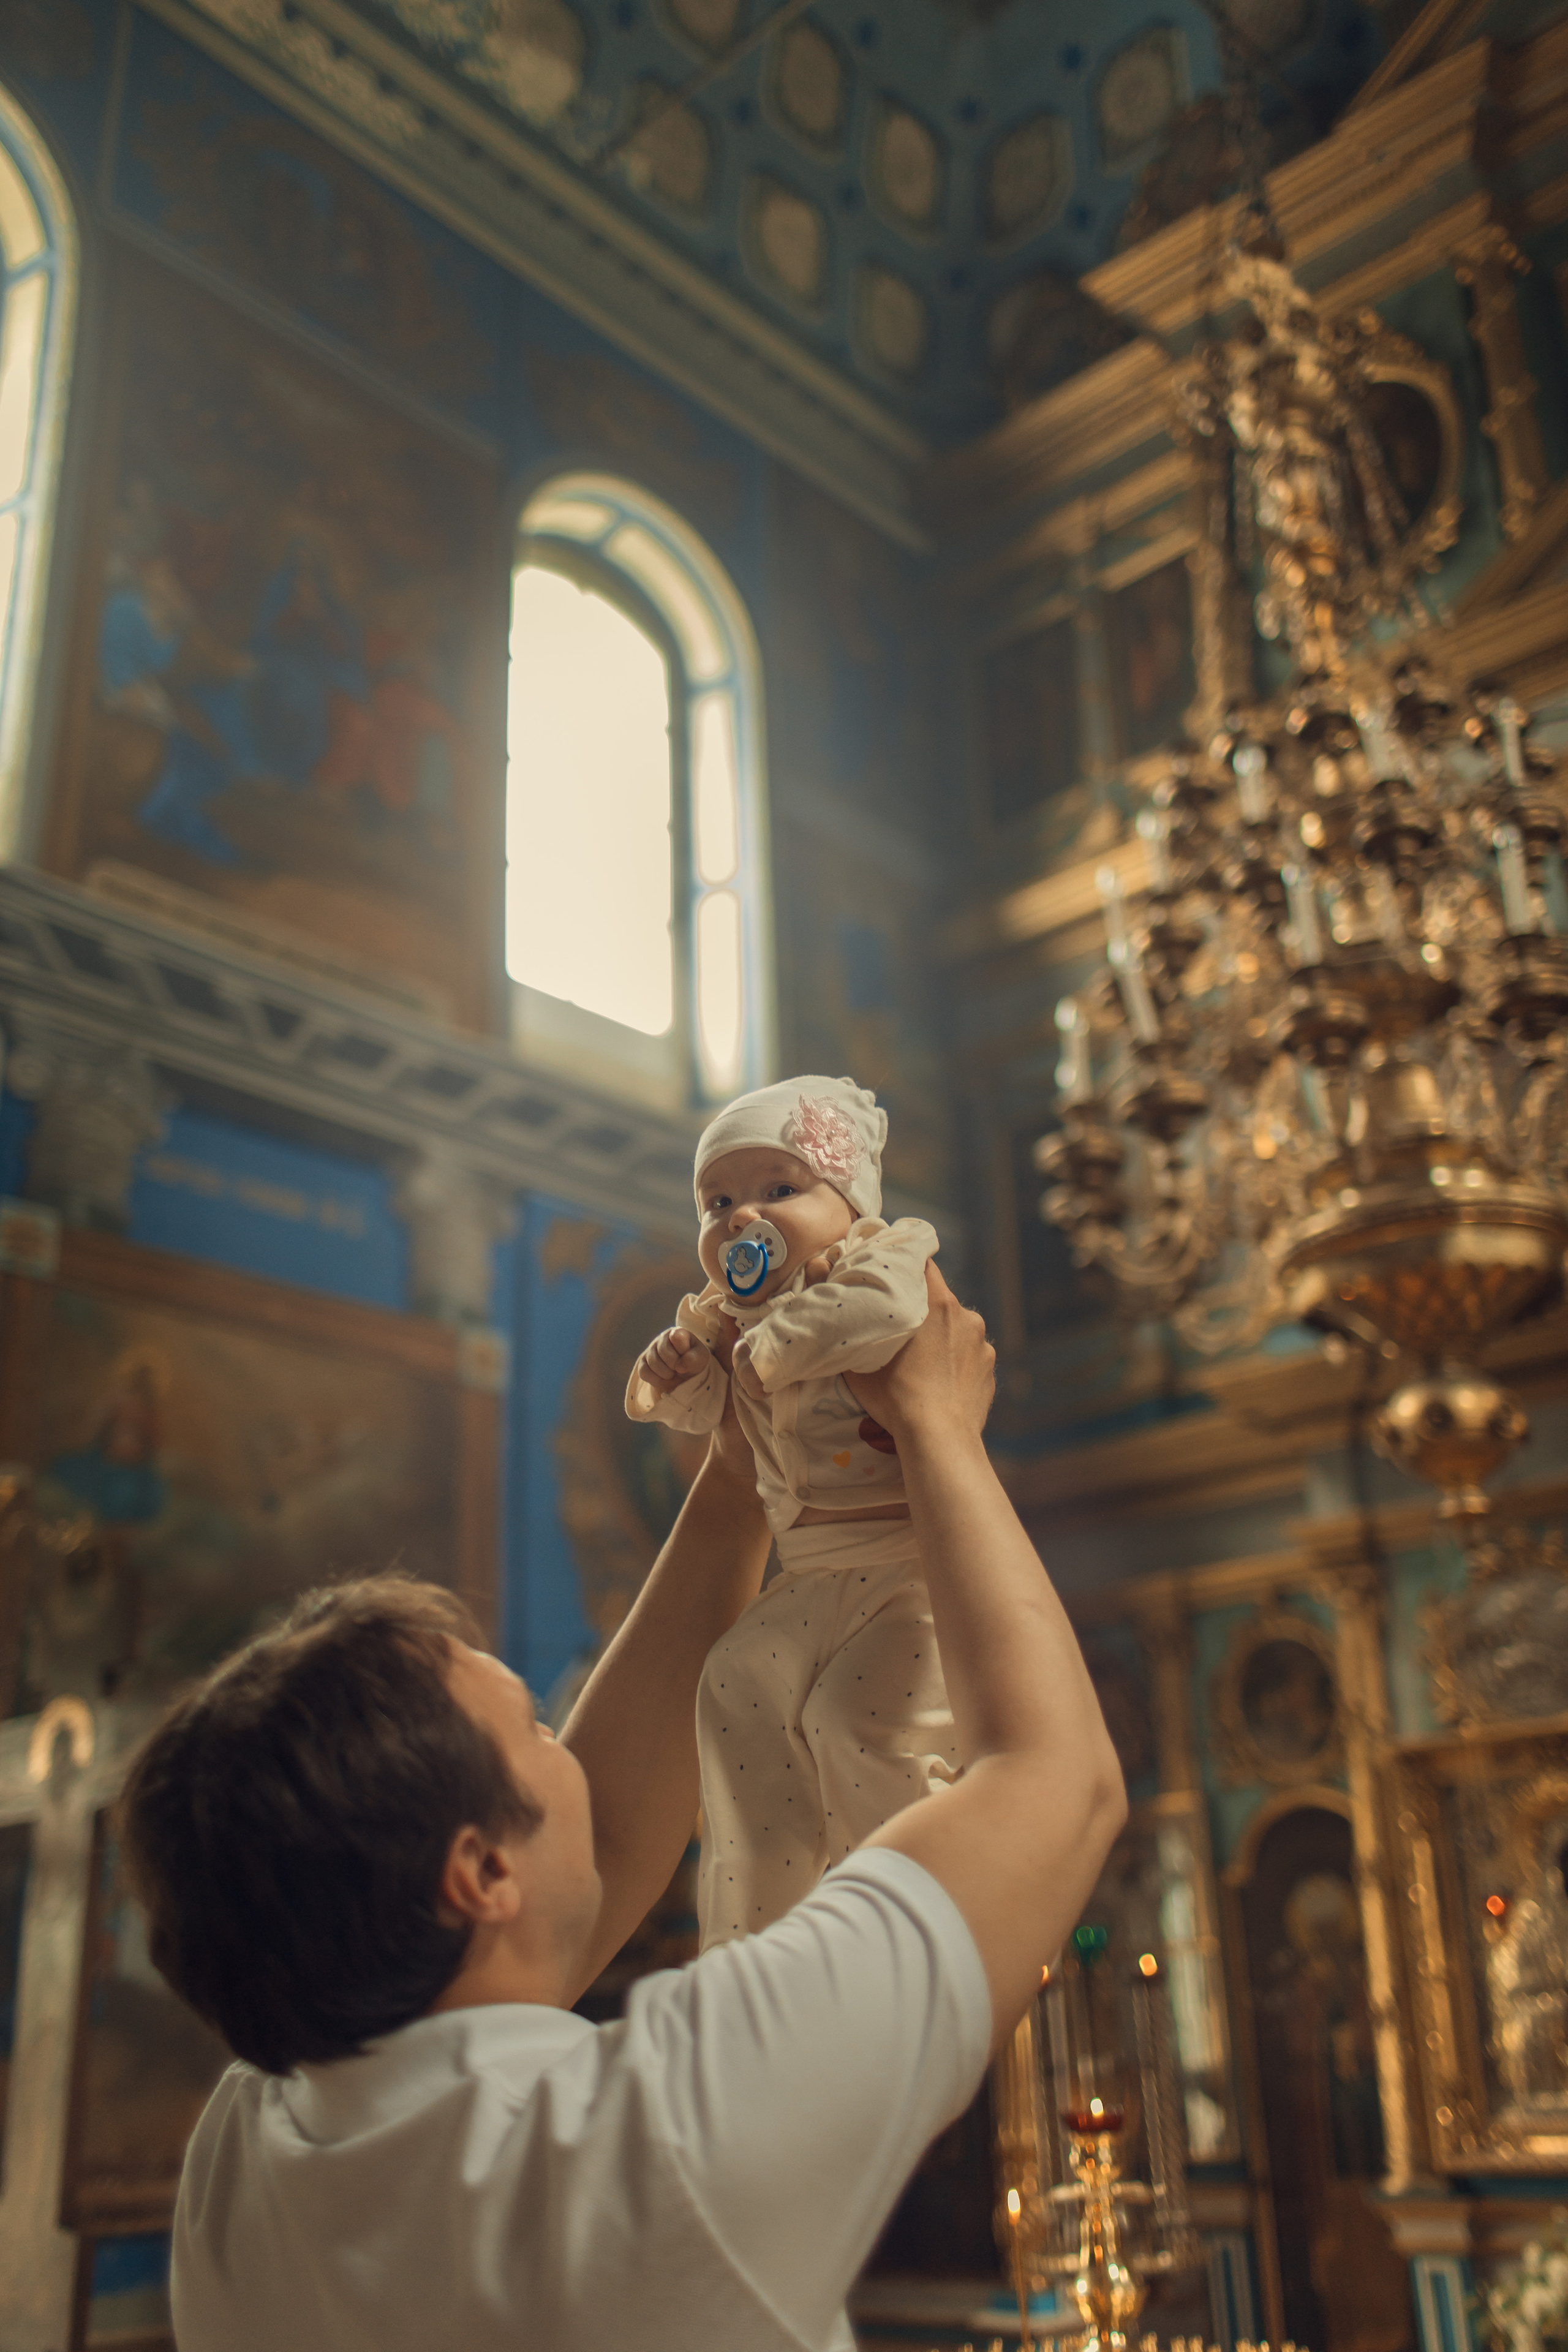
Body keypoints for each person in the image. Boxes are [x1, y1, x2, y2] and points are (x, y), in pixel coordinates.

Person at [121, 1268, 1125, 2352]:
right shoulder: (662, 2131)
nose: (570, 1751)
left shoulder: (249, 2148)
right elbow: (1055, 1785)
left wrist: (743, 1467)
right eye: (537, 1732)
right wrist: (939, 1430)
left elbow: (586, 1842)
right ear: (481, 1874)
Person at [627, 1072, 960, 1944]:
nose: (743, 1217)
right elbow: (697, 1415)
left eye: (781, 1190)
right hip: (807, 1573)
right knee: (736, 1683)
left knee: (857, 1720)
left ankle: (911, 1909)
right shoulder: (726, 1314)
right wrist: (675, 1374)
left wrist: (765, 1341)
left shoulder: (880, 1257)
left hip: (902, 1569)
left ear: (851, 1202)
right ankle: (759, 1938)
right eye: (719, 1202)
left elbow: (884, 1314)